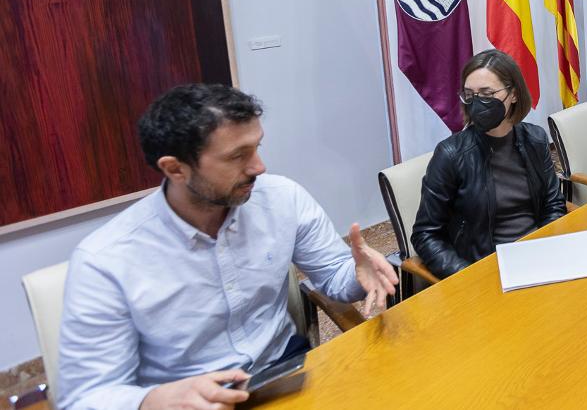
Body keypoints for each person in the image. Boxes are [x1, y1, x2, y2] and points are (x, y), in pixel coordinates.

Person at [58, 84, 397, 410]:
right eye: (238, 156)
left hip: (282, 375)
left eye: (256, 147)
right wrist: (148, 401)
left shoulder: (282, 199)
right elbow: (85, 397)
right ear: (175, 168)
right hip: (189, 400)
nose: (259, 167)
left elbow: (335, 278)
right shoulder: (105, 260)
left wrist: (356, 275)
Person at [411, 49, 566, 278]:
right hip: (485, 269)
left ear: (513, 94)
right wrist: (468, 277)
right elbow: (425, 234)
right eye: (470, 95)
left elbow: (553, 204)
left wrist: (544, 249)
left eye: (487, 93)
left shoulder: (535, 139)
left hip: (537, 257)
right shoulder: (451, 154)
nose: (477, 103)